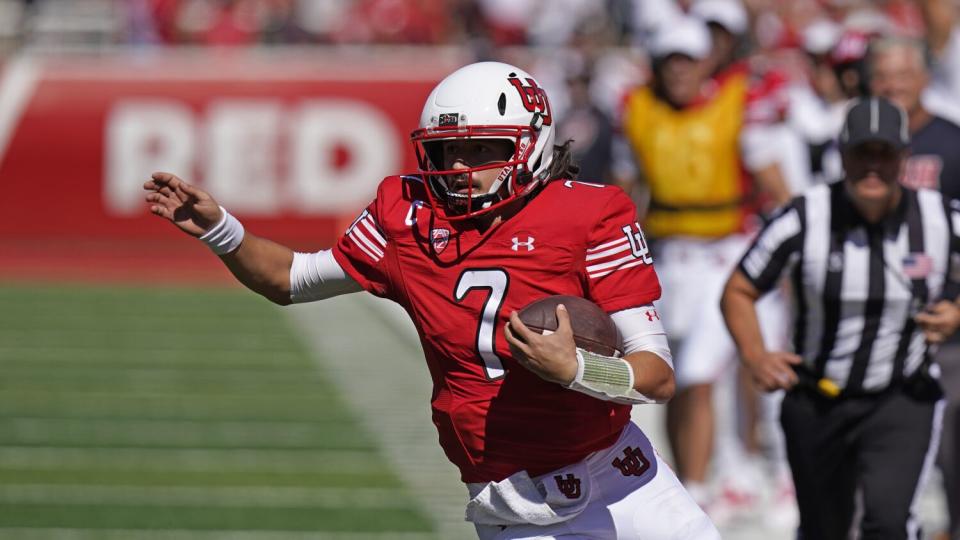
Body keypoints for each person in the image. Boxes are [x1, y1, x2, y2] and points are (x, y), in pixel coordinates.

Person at [143, 61, 719, 539]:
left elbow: (658, 377)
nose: (462, 171)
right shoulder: (408, 217)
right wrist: (220, 228)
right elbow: (290, 279)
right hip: (521, 500)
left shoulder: (588, 214)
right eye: (447, 154)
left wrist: (577, 369)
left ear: (533, 143)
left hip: (623, 471)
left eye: (485, 151)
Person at [721, 96, 958, 539]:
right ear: (841, 156)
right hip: (817, 397)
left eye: (883, 153)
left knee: (888, 522)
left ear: (904, 157)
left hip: (901, 396)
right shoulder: (804, 217)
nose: (872, 165)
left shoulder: (940, 217)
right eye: (860, 153)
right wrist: (755, 355)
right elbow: (739, 288)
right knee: (823, 529)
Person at [616, 14, 792, 522]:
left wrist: (791, 249)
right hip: (669, 259)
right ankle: (685, 479)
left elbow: (772, 181)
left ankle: (700, 486)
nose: (678, 71)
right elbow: (627, 190)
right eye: (670, 60)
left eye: (687, 60)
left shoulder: (737, 103)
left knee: (699, 373)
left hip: (725, 255)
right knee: (667, 379)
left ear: (706, 61)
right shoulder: (639, 110)